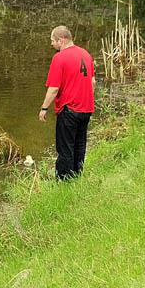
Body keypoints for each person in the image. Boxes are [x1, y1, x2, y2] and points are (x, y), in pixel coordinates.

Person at [38, 26, 96, 180]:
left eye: (52, 41)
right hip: (86, 109)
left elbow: (54, 88)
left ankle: (64, 182)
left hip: (69, 110)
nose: (51, 44)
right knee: (80, 145)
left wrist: (44, 108)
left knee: (65, 148)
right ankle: (77, 176)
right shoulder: (86, 54)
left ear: (60, 40)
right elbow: (92, 82)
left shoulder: (59, 58)